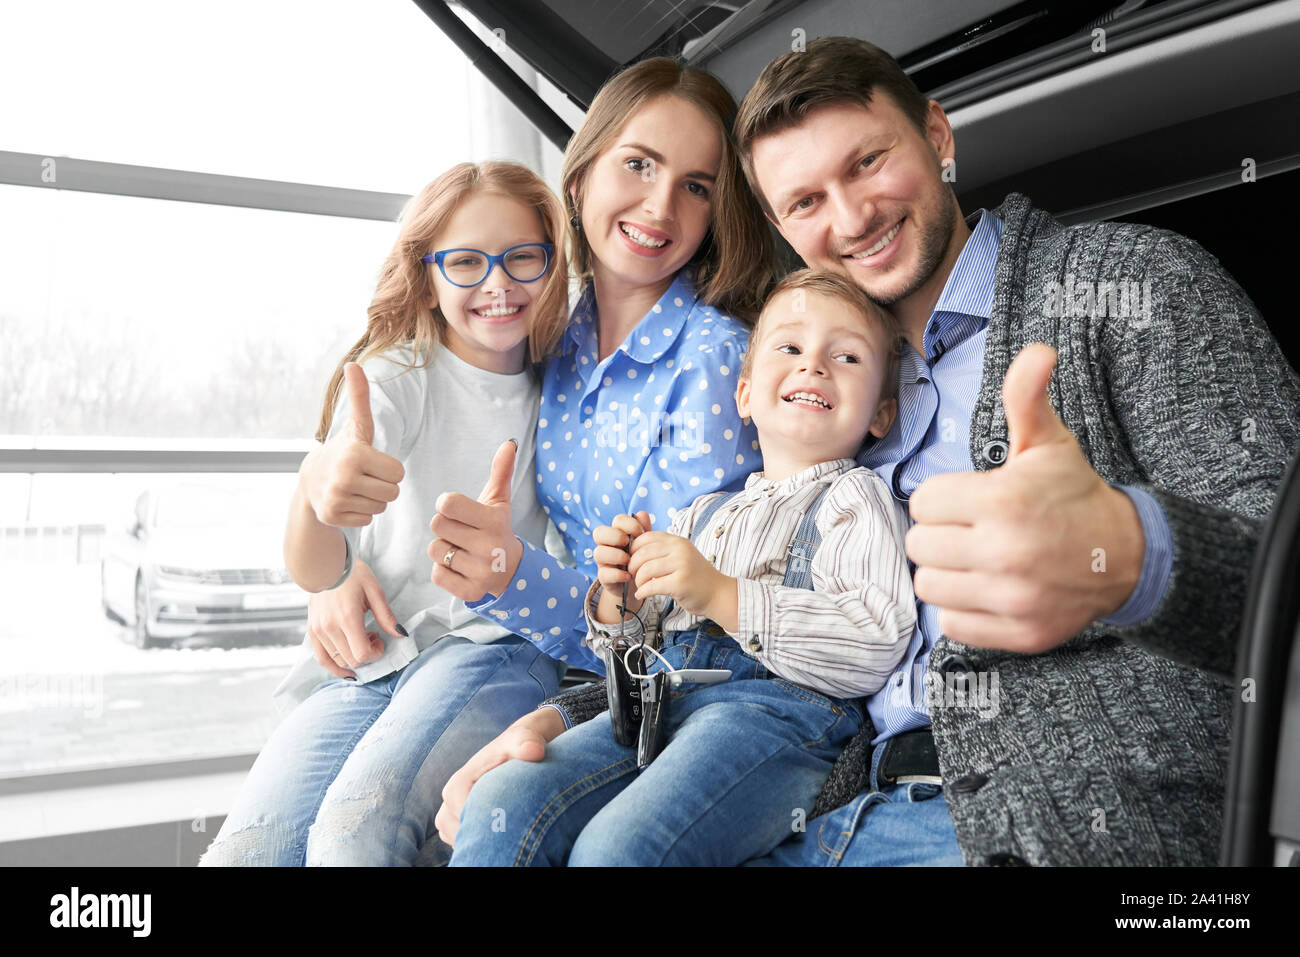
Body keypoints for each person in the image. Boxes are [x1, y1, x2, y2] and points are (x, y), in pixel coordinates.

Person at [437, 36, 1300, 867]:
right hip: (829, 810)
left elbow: (1281, 565)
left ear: (936, 135)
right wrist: (562, 717)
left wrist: (1130, 553)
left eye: (867, 163)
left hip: (1065, 823)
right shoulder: (820, 400)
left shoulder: (1126, 288)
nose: (851, 217)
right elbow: (733, 632)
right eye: (804, 203)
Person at [448, 270, 914, 865]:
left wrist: (722, 594)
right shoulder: (702, 515)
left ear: (881, 413)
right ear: (744, 394)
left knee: (619, 847)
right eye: (790, 348)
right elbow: (631, 647)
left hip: (779, 714)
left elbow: (874, 641)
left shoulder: (859, 498)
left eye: (846, 355)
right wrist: (622, 598)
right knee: (508, 801)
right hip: (660, 701)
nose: (813, 366)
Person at [198, 161, 572, 867]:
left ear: (553, 262)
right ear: (427, 276)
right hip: (377, 655)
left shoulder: (566, 372)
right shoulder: (395, 379)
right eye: (465, 262)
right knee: (249, 851)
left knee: (354, 828)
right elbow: (317, 566)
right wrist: (317, 491)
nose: (498, 283)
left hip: (491, 648)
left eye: (523, 257)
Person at [422, 57, 775, 682]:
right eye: (639, 164)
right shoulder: (554, 329)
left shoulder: (716, 360)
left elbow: (655, 620)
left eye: (697, 186)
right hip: (555, 650)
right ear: (581, 176)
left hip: (673, 675)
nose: (661, 206)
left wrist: (510, 575)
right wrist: (342, 564)